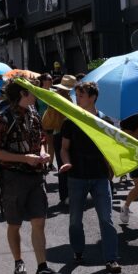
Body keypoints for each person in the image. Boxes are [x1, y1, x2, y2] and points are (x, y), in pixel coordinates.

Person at [0, 80, 62, 274]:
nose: (36, 94)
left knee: (39, 221)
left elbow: (41, 140)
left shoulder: (33, 114)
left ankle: (42, 267)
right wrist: (24, 158)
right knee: (14, 223)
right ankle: (18, 262)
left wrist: (42, 153)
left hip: (36, 176)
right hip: (13, 178)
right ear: (22, 93)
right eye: (32, 91)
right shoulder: (0, 119)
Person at [60, 81, 121, 274]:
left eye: (81, 95)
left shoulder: (105, 121)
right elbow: (64, 149)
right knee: (75, 219)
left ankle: (111, 258)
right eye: (77, 95)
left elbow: (112, 149)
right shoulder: (70, 121)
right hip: (76, 176)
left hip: (100, 177)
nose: (77, 99)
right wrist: (66, 163)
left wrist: (112, 166)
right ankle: (78, 251)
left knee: (106, 219)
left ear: (93, 97)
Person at [44, 75, 75, 206]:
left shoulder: (58, 96)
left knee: (65, 164)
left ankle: (66, 194)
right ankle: (65, 195)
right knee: (64, 164)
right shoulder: (62, 98)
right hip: (62, 133)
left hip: (60, 133)